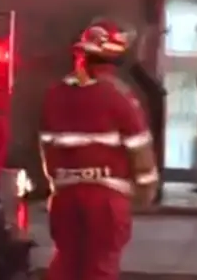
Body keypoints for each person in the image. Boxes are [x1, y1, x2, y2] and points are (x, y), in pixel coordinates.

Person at [39, 18, 159, 280]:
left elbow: (47, 148)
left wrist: (56, 185)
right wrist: (146, 192)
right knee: (100, 268)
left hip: (66, 197)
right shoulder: (119, 97)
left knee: (65, 265)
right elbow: (140, 150)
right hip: (106, 202)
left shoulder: (54, 95)